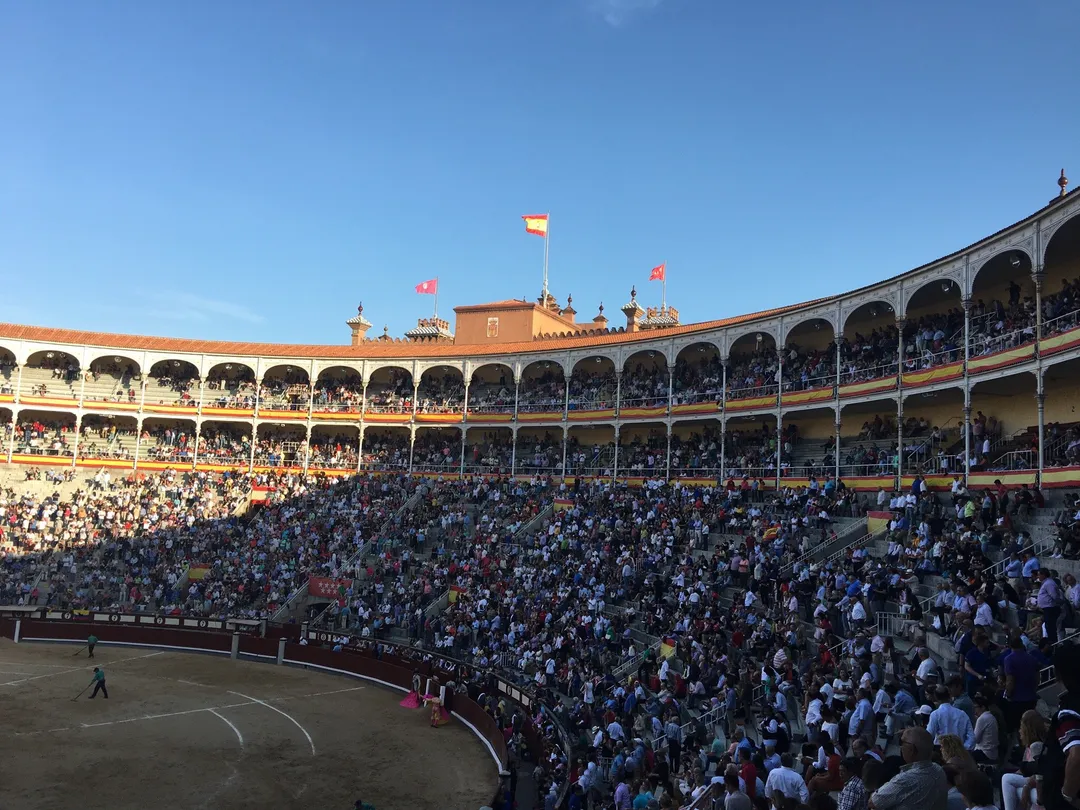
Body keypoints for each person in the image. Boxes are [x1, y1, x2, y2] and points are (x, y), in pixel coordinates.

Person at [869, 727, 947, 810]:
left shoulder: (905, 780)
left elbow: (873, 802)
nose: (900, 747)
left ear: (912, 750)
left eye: (901, 742)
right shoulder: (939, 770)